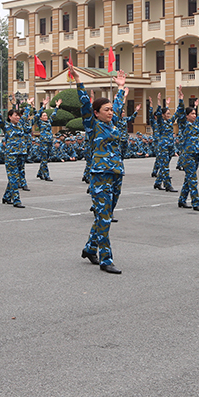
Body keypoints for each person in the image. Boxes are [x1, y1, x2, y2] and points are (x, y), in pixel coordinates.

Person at [71, 63, 125, 274]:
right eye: (106, 110)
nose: (111, 112)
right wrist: (78, 81)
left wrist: (120, 88)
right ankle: (106, 259)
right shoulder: (93, 125)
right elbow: (85, 103)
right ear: (96, 113)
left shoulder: (114, 124)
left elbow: (119, 106)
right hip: (100, 175)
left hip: (116, 173)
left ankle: (90, 247)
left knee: (106, 215)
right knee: (103, 216)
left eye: (111, 109)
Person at [176, 87, 199, 211]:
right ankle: (196, 203)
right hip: (188, 155)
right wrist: (181, 99)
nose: (195, 115)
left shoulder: (195, 124)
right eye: (192, 113)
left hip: (196, 153)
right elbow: (180, 112)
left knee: (189, 178)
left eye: (194, 113)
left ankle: (182, 200)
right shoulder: (183, 124)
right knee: (193, 179)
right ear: (186, 116)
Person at [0, 97, 34, 208]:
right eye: (15, 115)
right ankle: (16, 199)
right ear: (9, 117)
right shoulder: (6, 126)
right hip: (11, 155)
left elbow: (26, 115)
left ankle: (6, 197)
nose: (17, 117)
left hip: (21, 153)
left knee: (15, 176)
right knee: (14, 177)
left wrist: (29, 105)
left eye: (18, 115)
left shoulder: (20, 124)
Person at [34, 98, 62, 181]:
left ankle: (39, 173)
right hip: (43, 142)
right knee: (44, 159)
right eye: (44, 116)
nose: (46, 117)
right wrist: (43, 106)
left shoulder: (49, 122)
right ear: (41, 118)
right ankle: (46, 175)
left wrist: (57, 106)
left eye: (46, 115)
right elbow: (37, 114)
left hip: (49, 142)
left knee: (45, 159)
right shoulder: (39, 122)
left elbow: (54, 114)